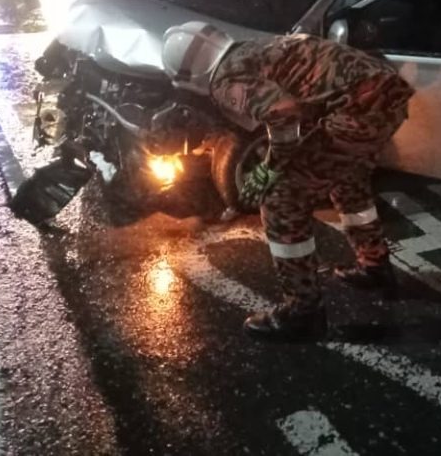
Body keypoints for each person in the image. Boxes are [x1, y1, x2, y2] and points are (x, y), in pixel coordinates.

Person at [161, 25, 414, 341]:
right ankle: (375, 266)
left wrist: (269, 169)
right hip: (384, 97)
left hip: (358, 109)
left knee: (281, 198)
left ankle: (302, 311)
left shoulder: (225, 80)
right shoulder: (250, 50)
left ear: (191, 77)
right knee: (347, 178)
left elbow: (283, 112)